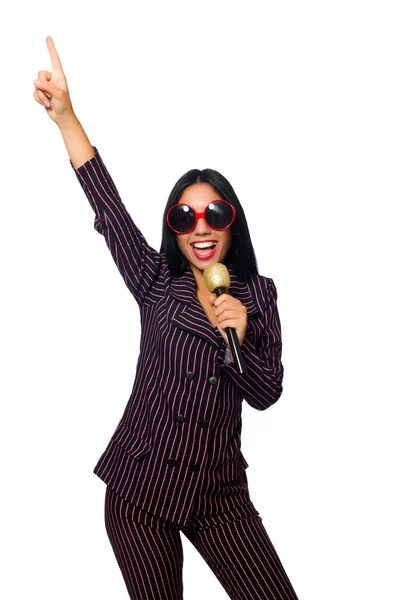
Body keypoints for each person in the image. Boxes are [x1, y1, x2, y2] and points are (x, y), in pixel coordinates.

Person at [33, 35, 300, 600]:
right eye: (186, 216)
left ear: (233, 223)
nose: (200, 226)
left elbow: (267, 393)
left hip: (220, 497)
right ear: (175, 229)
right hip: (142, 488)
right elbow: (109, 206)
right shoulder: (155, 278)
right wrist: (66, 117)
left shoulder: (259, 295)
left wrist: (241, 338)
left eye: (214, 213)